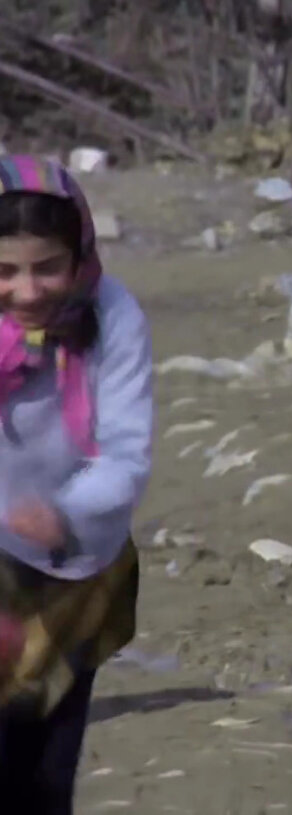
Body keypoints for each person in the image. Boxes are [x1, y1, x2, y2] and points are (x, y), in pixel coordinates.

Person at [0, 155, 152, 813]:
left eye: (47, 267)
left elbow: (126, 453)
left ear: (80, 255)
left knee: (48, 768)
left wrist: (62, 510)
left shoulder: (112, 316)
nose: (28, 290)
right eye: (5, 270)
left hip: (80, 566)